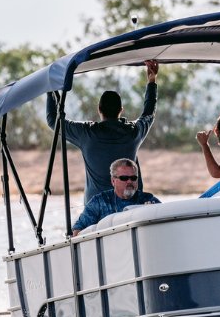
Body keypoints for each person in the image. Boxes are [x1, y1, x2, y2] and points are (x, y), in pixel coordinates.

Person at [47, 60, 159, 203]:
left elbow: (52, 121)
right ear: (121, 110)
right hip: (130, 209)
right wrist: (152, 80)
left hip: (97, 213)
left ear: (99, 109)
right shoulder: (133, 133)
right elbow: (149, 113)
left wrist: (51, 89)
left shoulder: (86, 133)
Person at [72, 158, 160, 235]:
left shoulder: (148, 199)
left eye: (133, 178)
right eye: (124, 178)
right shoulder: (99, 202)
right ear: (113, 181)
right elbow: (77, 231)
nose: (129, 181)